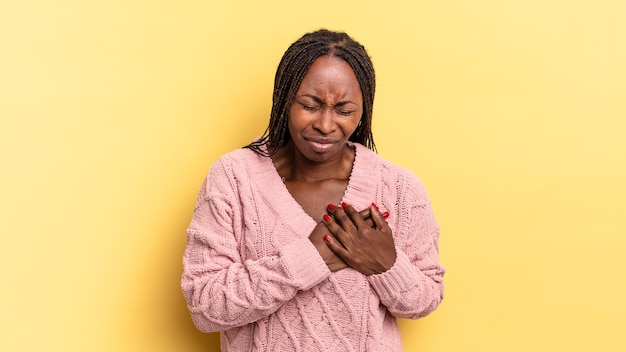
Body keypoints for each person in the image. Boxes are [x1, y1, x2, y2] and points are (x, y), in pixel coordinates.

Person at [181, 29, 445, 351]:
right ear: (284, 99)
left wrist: (386, 264)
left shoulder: (399, 188)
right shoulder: (235, 179)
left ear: (364, 111)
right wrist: (308, 258)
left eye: (345, 111)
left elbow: (425, 300)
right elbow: (204, 305)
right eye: (309, 105)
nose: (325, 124)